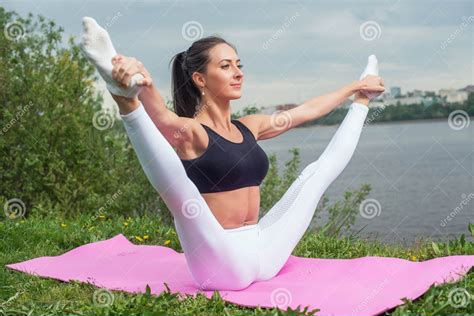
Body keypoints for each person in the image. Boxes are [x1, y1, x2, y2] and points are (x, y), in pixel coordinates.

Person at [80, 17, 385, 290]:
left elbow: (307, 111)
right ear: (200, 79)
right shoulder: (192, 132)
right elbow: (161, 117)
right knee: (181, 194)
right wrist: (142, 80)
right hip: (218, 265)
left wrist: (356, 88)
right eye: (226, 66)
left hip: (263, 253)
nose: (238, 73)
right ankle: (123, 97)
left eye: (239, 65)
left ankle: (364, 100)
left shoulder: (250, 127)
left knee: (316, 176)